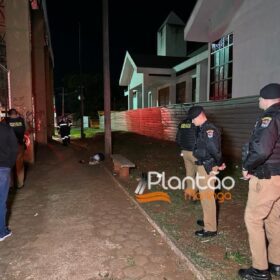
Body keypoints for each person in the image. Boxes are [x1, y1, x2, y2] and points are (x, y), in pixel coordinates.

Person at [239, 83, 280, 280]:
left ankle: (260, 269)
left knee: (253, 219)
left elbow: (262, 150)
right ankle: (277, 263)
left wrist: (248, 166)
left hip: (267, 177)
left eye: (260, 98)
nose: (258, 101)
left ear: (266, 99)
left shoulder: (269, 118)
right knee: (274, 218)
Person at [187, 106, 225, 238]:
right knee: (204, 195)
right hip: (202, 166)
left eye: (193, 119)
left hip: (208, 168)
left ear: (199, 116)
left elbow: (214, 150)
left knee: (207, 196)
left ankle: (210, 228)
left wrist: (219, 164)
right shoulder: (202, 127)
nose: (192, 122)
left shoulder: (209, 129)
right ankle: (207, 219)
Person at [0, 122, 18, 241]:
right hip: (3, 168)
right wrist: (9, 165)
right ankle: (2, 232)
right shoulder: (5, 128)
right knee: (1, 201)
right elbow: (14, 148)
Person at [175, 115, 198, 201]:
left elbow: (177, 139)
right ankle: (193, 193)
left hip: (185, 152)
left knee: (189, 173)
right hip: (195, 152)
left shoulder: (182, 124)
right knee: (200, 174)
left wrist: (182, 147)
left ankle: (189, 192)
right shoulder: (197, 124)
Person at [5, 109, 26, 189]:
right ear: (16, 113)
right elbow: (26, 129)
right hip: (20, 146)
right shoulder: (21, 120)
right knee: (20, 165)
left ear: (9, 114)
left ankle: (11, 185)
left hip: (8, 147)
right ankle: (20, 183)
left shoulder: (6, 121)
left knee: (9, 166)